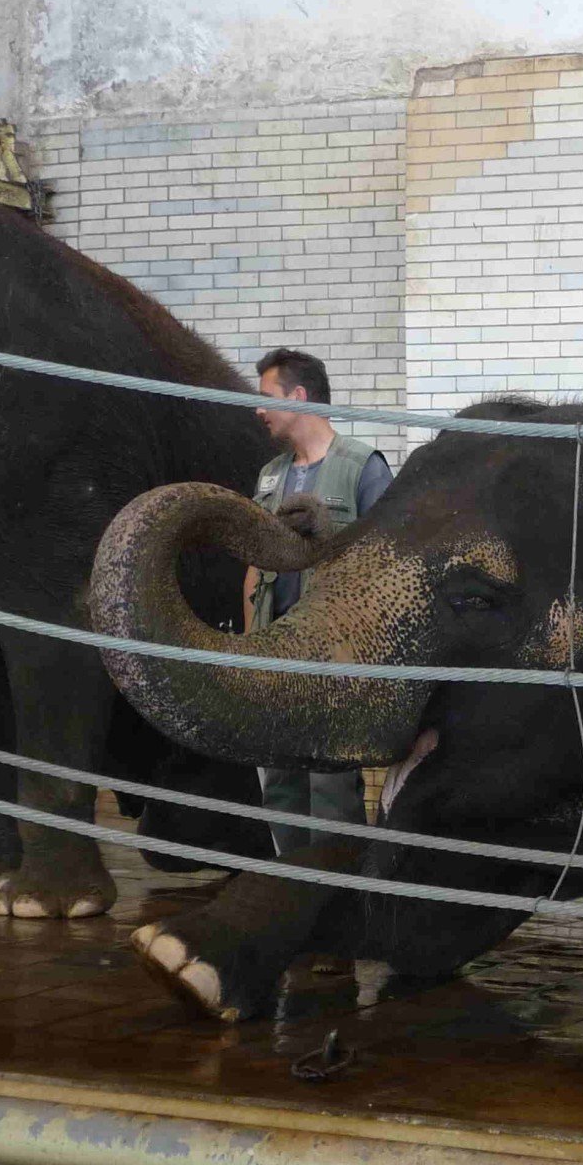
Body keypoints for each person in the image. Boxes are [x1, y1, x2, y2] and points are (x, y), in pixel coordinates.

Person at [244, 347, 393, 853]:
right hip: (277, 653)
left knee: (330, 786)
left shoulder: (362, 468)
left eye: (266, 397)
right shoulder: (269, 476)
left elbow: (386, 566)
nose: (258, 410)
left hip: (335, 657)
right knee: (279, 783)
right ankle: (293, 892)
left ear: (300, 397)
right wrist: (251, 648)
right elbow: (254, 567)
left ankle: (338, 897)